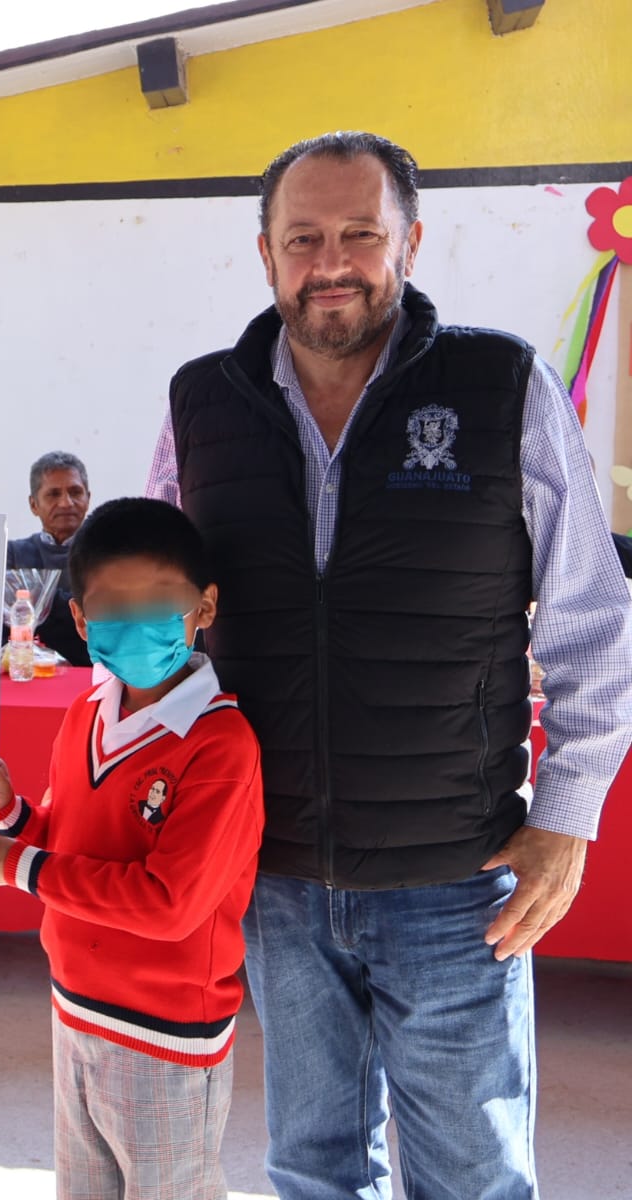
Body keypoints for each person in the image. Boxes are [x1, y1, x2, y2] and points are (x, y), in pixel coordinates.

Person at [149, 131, 632, 1198]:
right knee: (312, 1169)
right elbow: (163, 619)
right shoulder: (201, 405)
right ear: (264, 254)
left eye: (359, 234)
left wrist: (566, 821)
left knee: (471, 1177)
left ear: (408, 243)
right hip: (276, 879)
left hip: (455, 883)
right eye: (302, 238)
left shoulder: (500, 384)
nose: (331, 263)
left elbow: (595, 622)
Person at [0, 497, 263, 1200]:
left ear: (204, 607)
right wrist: (12, 815)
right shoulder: (85, 714)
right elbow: (66, 840)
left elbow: (168, 904)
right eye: (113, 607)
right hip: (76, 1007)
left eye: (159, 601)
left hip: (168, 1035)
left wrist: (20, 868)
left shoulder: (221, 745)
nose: (137, 620)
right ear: (81, 620)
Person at [5, 450, 92, 666]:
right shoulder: (12, 553)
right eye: (53, 494)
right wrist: (72, 603)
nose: (66, 503)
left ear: (88, 498)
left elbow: (102, 618)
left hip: (90, 673)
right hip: (26, 672)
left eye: (75, 492)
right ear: (33, 504)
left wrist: (40, 599)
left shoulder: (108, 554)